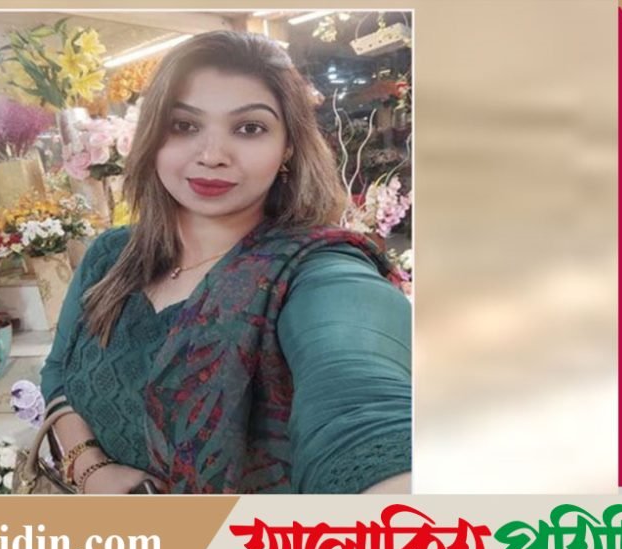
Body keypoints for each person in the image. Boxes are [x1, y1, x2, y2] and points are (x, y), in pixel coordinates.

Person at [40, 30, 411, 494]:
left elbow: (360, 400)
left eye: (249, 128)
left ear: (288, 146)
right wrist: (90, 467)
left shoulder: (313, 273)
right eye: (184, 125)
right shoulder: (112, 256)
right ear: (152, 137)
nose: (212, 156)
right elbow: (57, 371)